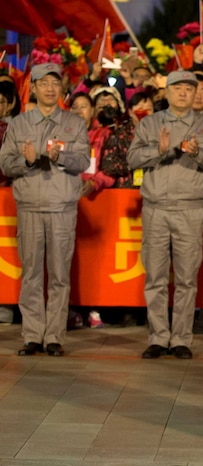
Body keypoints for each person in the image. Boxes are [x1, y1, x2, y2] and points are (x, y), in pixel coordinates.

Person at [127, 70, 203, 360]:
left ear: (196, 93)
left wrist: (197, 154)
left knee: (186, 278)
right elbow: (132, 159)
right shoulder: (150, 124)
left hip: (190, 208)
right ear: (167, 92)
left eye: (189, 89)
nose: (183, 93)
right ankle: (158, 337)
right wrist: (158, 151)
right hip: (156, 208)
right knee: (155, 277)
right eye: (177, 88)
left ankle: (181, 338)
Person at [0, 63, 90, 357]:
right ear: (34, 88)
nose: (50, 88)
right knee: (31, 274)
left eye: (55, 83)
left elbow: (82, 162)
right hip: (29, 207)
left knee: (60, 274)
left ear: (62, 88)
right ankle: (32, 335)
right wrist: (27, 161)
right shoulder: (18, 124)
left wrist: (60, 155)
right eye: (44, 83)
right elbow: (5, 164)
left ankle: (54, 336)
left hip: (62, 207)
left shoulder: (74, 123)